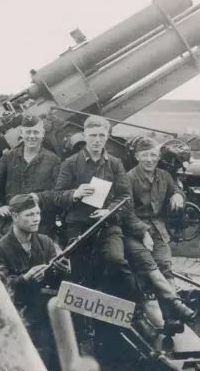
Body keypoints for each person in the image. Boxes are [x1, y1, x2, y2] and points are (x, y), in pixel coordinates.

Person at [53, 115, 141, 300]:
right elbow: (57, 196)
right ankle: (83, 321)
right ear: (84, 135)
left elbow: (126, 197)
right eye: (93, 135)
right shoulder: (70, 163)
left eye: (101, 135)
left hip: (108, 225)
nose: (97, 140)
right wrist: (74, 194)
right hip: (78, 225)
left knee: (116, 260)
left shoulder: (115, 164)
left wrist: (109, 211)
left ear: (108, 136)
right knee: (78, 270)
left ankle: (136, 306)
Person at [0, 193, 70, 371]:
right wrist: (25, 279)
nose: (36, 219)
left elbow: (57, 281)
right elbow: (1, 289)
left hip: (47, 312)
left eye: (38, 213)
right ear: (14, 217)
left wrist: (63, 270)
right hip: (23, 316)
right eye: (29, 215)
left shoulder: (46, 242)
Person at [123, 135, 195, 324]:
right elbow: (126, 213)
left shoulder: (164, 177)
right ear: (137, 157)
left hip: (158, 231)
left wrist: (179, 196)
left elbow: (177, 190)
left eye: (153, 155)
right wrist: (143, 233)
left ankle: (172, 317)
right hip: (133, 233)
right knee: (149, 266)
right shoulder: (128, 179)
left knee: (165, 267)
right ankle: (175, 305)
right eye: (145, 155)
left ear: (158, 157)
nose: (150, 159)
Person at [0, 114, 61, 236]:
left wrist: (38, 197)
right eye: (28, 132)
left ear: (43, 133)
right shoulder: (9, 157)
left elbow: (58, 193)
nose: (32, 136)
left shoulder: (53, 160)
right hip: (13, 226)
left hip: (42, 228)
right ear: (21, 133)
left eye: (36, 132)